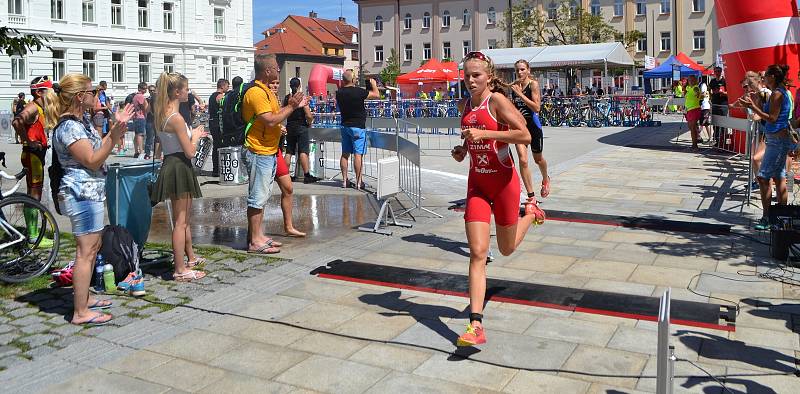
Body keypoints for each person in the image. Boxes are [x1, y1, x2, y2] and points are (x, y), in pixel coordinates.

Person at [451, 51, 545, 347]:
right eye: (466, 75)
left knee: (505, 249)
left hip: (504, 184)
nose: (469, 80)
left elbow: (525, 135)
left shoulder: (497, 102)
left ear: (488, 77)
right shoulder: (464, 105)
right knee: (478, 253)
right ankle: (476, 324)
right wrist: (463, 150)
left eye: (476, 75)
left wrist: (487, 133)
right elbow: (470, 140)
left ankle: (530, 213)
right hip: (477, 186)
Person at [46, 73, 135, 325]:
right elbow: (93, 160)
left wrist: (114, 129)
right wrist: (116, 135)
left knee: (93, 248)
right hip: (80, 194)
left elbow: (98, 150)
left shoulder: (81, 121)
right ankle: (80, 312)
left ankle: (84, 298)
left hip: (90, 192)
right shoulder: (70, 127)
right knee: (85, 252)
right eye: (91, 90)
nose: (95, 94)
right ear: (79, 97)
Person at [242, 54, 306, 254]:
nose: (279, 70)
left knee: (262, 197)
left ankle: (259, 235)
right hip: (258, 150)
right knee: (257, 198)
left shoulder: (266, 92)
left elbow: (274, 119)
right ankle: (254, 241)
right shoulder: (256, 93)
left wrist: (288, 111)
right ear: (267, 71)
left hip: (268, 150)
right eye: (276, 68)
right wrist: (292, 106)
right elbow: (270, 120)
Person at [151, 72, 208, 281]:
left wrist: (190, 132)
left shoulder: (162, 113)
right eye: (185, 88)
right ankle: (180, 269)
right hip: (179, 165)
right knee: (181, 222)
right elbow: (190, 152)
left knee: (183, 219)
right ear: (177, 92)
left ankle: (189, 259)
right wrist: (195, 136)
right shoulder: (175, 118)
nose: (188, 91)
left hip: (172, 163)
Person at [739, 65, 793, 230]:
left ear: (773, 77)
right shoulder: (777, 92)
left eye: (766, 76)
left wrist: (753, 107)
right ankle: (779, 216)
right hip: (775, 139)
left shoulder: (777, 94)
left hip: (777, 140)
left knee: (763, 177)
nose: (763, 79)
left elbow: (772, 118)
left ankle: (767, 217)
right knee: (778, 178)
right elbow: (767, 115)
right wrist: (755, 103)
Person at [11, 76, 56, 247]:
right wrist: (28, 141)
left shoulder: (39, 107)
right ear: (39, 92)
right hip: (32, 155)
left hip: (36, 155)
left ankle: (33, 233)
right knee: (34, 194)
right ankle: (33, 236)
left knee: (34, 192)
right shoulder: (33, 107)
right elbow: (17, 121)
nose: (51, 93)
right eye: (48, 91)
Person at [267, 78, 306, 237]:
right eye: (272, 83)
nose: (275, 85)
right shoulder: (263, 97)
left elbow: (276, 117)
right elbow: (266, 120)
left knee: (288, 188)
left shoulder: (276, 98)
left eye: (277, 83)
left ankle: (288, 227)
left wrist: (279, 127)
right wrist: (278, 126)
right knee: (261, 194)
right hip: (264, 150)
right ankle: (255, 234)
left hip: (276, 150)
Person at [510, 59, 551, 202]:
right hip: (519, 128)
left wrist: (521, 94)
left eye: (522, 69)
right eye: (517, 70)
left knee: (538, 159)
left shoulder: (533, 84)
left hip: (533, 126)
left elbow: (537, 108)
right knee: (523, 159)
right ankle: (531, 196)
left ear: (528, 70)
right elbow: (513, 107)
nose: (520, 72)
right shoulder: (514, 86)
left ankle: (546, 179)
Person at [336, 70, 380, 189]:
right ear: (353, 79)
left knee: (345, 154)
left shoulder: (339, 93)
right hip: (358, 127)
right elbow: (376, 95)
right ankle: (359, 182)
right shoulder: (359, 92)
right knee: (358, 154)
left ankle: (344, 181)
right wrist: (374, 85)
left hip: (345, 126)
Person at [282, 77, 318, 184]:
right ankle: (307, 175)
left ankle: (285, 175)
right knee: (303, 151)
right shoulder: (302, 98)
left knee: (289, 151)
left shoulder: (287, 98)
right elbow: (308, 114)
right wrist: (310, 121)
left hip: (290, 126)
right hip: (301, 126)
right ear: (299, 86)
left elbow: (284, 111)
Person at [208, 78, 229, 177]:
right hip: (218, 124)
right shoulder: (220, 96)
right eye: (227, 86)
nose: (228, 88)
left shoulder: (211, 96)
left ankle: (215, 169)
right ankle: (219, 169)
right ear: (222, 86)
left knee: (216, 146)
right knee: (220, 146)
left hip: (212, 122)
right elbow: (225, 108)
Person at [709, 67, 729, 145]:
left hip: (723, 105)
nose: (717, 72)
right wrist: (711, 93)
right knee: (715, 123)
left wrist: (723, 93)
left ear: (721, 72)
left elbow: (729, 92)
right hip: (715, 104)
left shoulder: (725, 81)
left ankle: (723, 141)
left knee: (723, 123)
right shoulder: (712, 81)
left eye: (719, 71)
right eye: (716, 71)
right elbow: (709, 91)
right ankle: (717, 141)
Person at [131, 82, 149, 158]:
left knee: (137, 134)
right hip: (140, 117)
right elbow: (143, 107)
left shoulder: (135, 96)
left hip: (136, 117)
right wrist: (146, 114)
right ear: (140, 88)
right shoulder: (140, 96)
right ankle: (141, 151)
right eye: (144, 89)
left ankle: (136, 151)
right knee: (140, 134)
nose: (146, 90)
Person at [684, 75, 702, 149]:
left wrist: (698, 94)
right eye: (689, 80)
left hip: (694, 109)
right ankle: (696, 141)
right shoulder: (689, 88)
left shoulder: (695, 87)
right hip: (689, 110)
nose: (691, 81)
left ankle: (695, 145)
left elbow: (697, 93)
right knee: (691, 127)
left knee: (692, 128)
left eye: (693, 80)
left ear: (696, 81)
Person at [145, 84, 157, 159]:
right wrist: (150, 101)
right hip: (150, 120)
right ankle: (147, 153)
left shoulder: (158, 98)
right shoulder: (147, 99)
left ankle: (156, 153)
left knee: (157, 138)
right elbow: (147, 110)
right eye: (150, 90)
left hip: (157, 120)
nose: (152, 92)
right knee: (149, 137)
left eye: (153, 90)